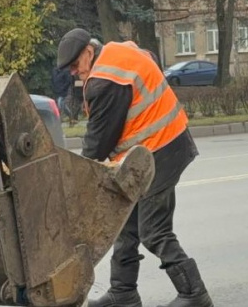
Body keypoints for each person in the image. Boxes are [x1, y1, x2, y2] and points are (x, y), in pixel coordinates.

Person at [56, 28, 213, 307]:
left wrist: (78, 179)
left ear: (89, 53)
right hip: (159, 147)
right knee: (125, 224)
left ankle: (194, 293)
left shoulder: (104, 81)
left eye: (75, 64)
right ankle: (123, 292)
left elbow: (98, 143)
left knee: (154, 230)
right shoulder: (119, 50)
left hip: (160, 152)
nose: (72, 72)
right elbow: (148, 56)